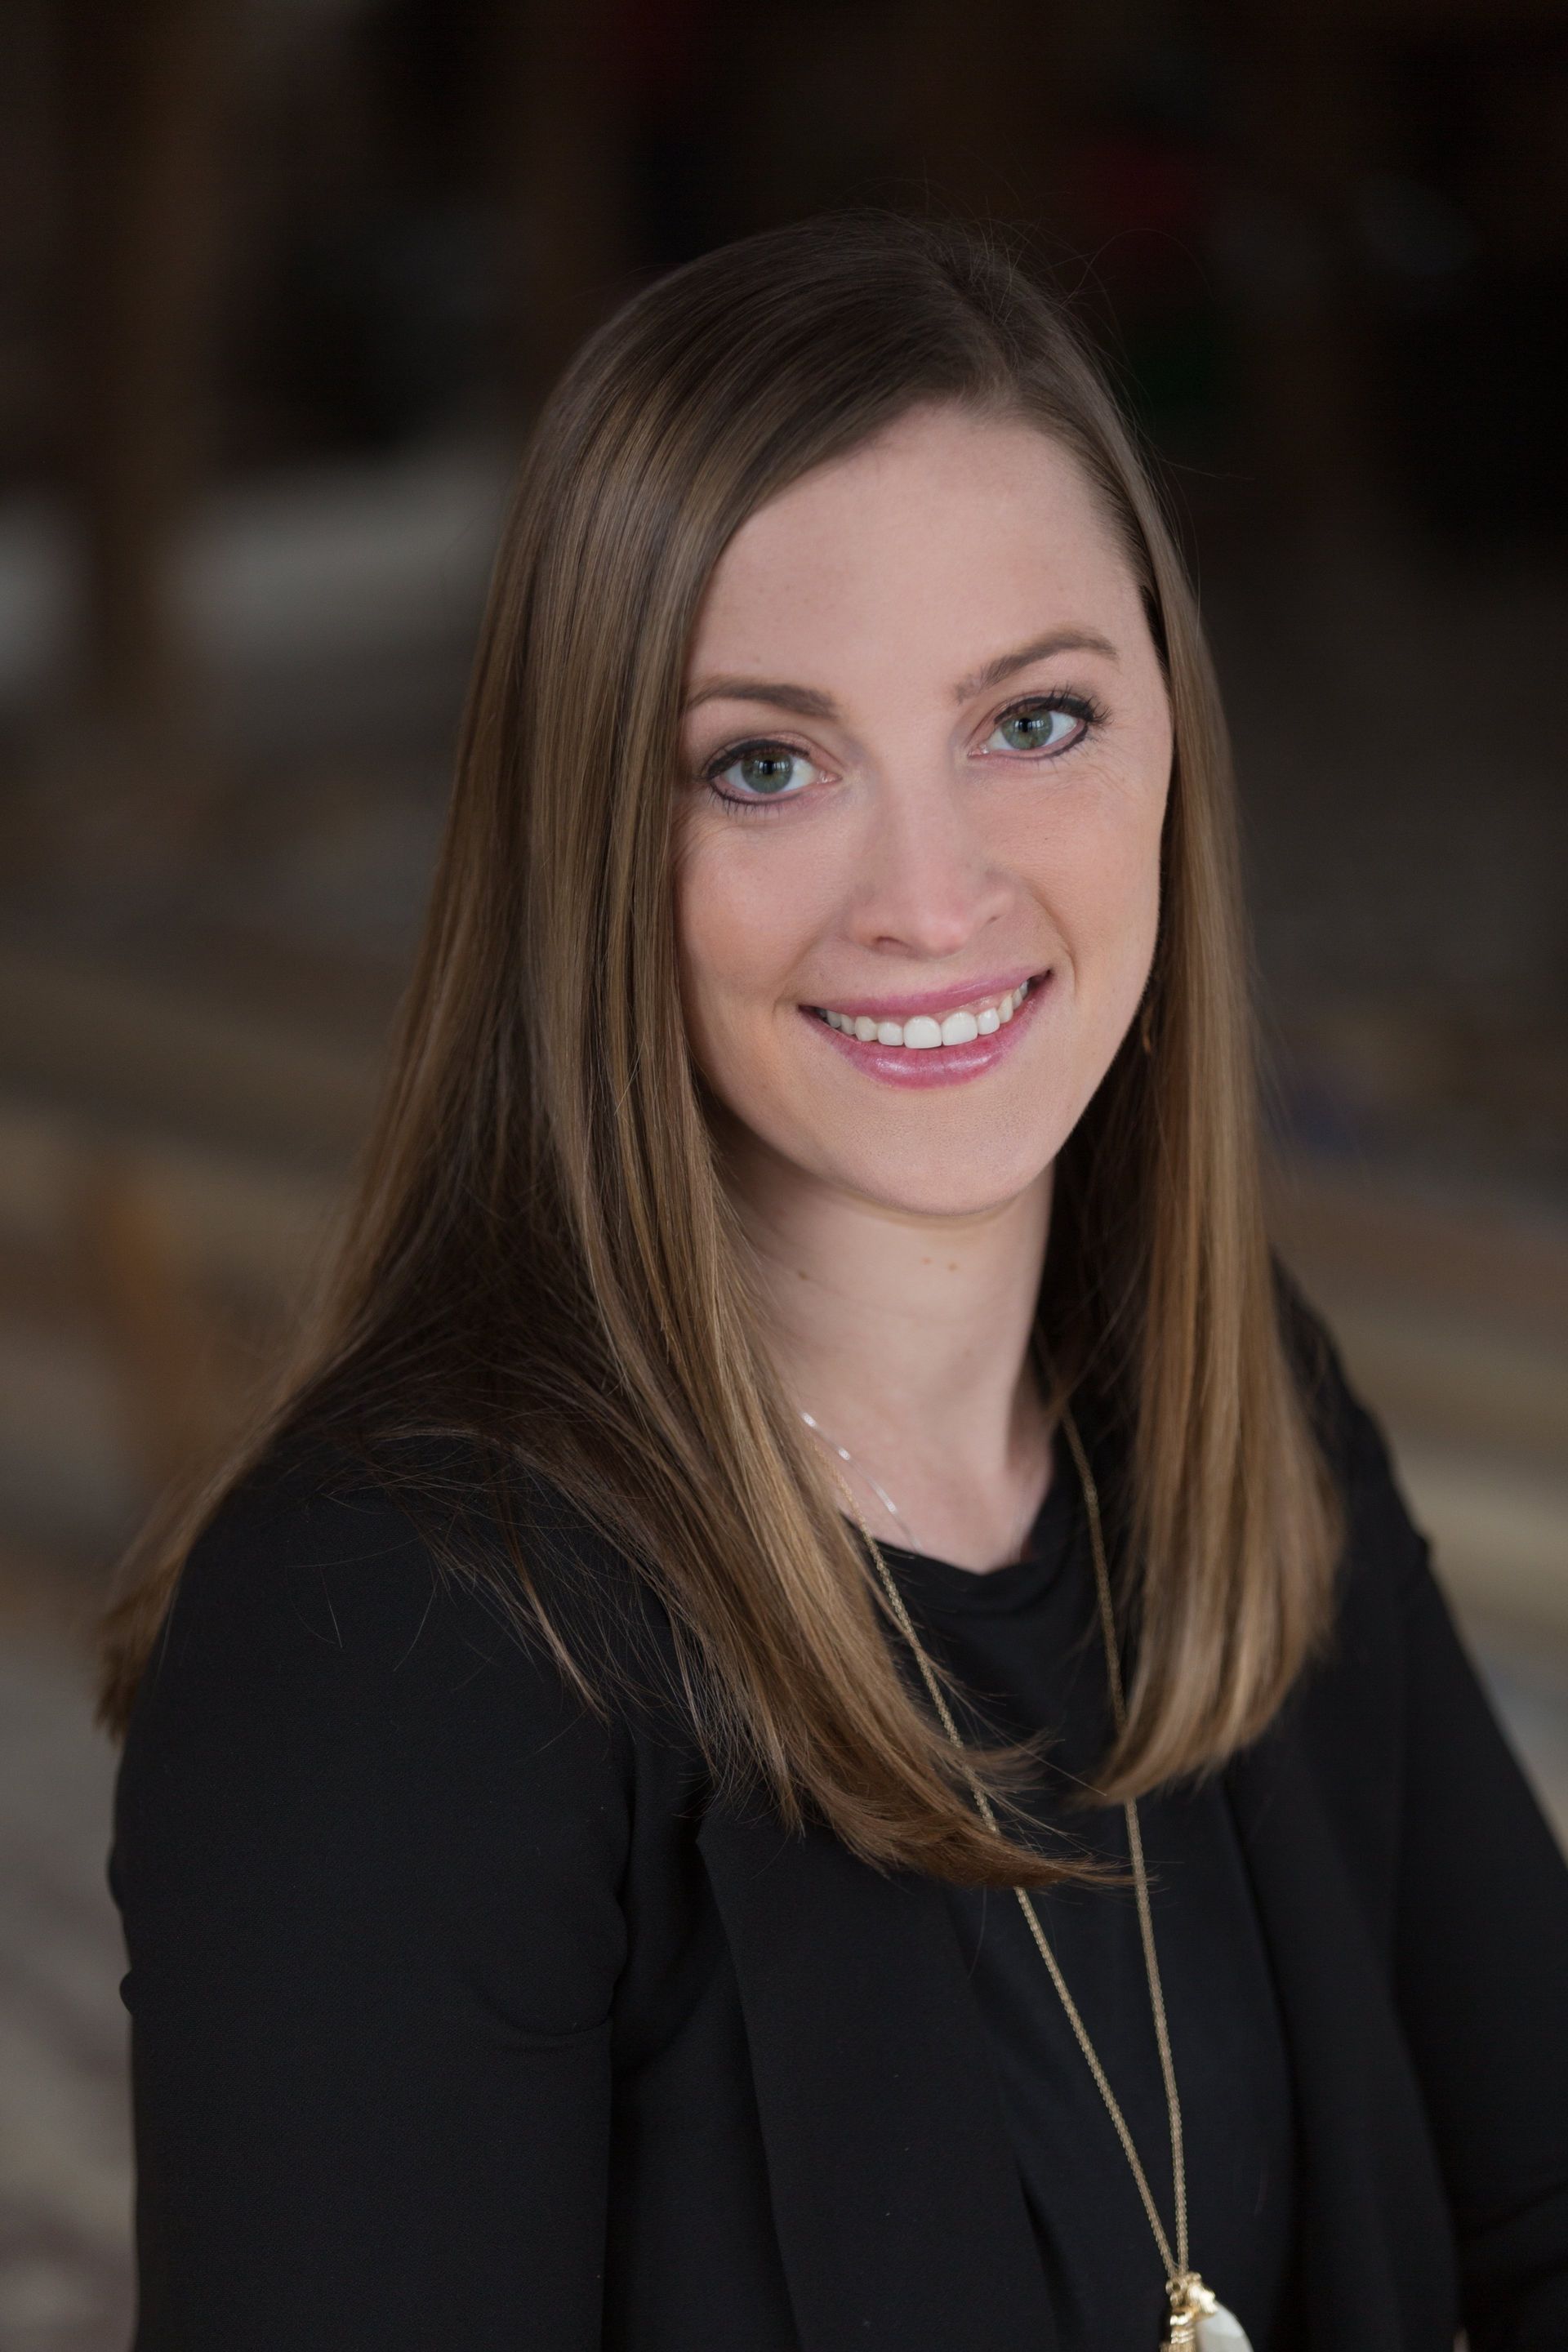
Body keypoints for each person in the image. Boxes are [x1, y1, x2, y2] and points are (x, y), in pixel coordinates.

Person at [98, 212, 1568, 2352]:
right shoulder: (387, 1646)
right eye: (766, 763)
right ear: (598, 840)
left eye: (1034, 721)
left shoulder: (1222, 1401)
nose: (934, 897)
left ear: (1173, 736)